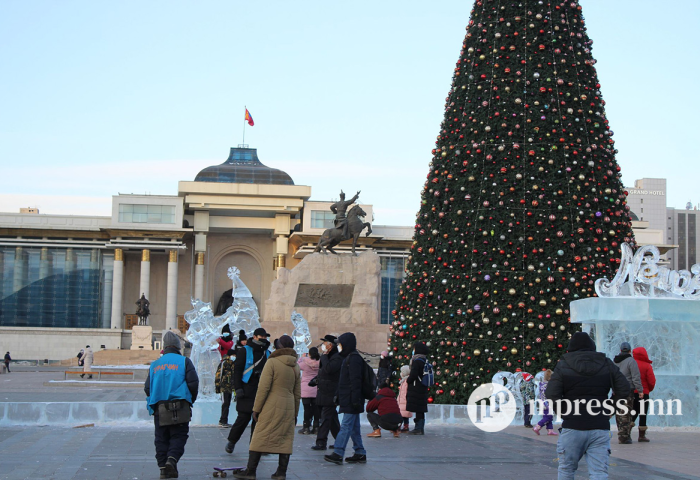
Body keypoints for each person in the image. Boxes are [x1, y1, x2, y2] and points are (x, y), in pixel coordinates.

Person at [546, 331, 630, 480]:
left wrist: (565, 412)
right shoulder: (606, 363)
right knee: (599, 473)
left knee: (566, 470)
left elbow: (552, 393)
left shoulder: (564, 364)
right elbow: (624, 388)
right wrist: (610, 408)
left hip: (572, 425)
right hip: (599, 425)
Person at [231, 335, 301, 480]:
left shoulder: (273, 362)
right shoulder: (295, 365)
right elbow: (297, 393)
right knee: (286, 438)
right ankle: (281, 472)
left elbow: (263, 388)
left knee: (259, 436)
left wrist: (256, 409)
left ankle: (250, 471)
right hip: (288, 405)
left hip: (271, 403)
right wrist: (295, 413)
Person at [144, 331, 199, 479]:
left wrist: (155, 399)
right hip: (180, 405)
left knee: (161, 438)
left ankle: (163, 468)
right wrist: (190, 401)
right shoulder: (184, 361)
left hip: (160, 407)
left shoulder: (155, 364)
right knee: (179, 435)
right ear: (177, 346)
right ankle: (171, 460)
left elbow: (147, 388)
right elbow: (193, 384)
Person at [324, 332, 367, 465]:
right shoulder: (348, 357)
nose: (339, 347)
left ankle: (338, 452)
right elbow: (344, 380)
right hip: (349, 398)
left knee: (346, 426)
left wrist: (354, 400)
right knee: (353, 427)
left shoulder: (353, 359)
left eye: (340, 344)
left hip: (352, 399)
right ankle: (360, 452)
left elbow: (355, 381)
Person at [226, 327, 271, 454]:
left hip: (261, 390)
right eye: (261, 337)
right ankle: (232, 441)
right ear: (255, 337)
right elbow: (238, 371)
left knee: (259, 420)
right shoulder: (245, 351)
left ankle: (255, 446)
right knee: (243, 418)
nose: (264, 339)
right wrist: (238, 388)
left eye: (265, 337)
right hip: (246, 389)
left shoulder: (267, 353)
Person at [312, 334, 343, 451]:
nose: (323, 346)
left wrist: (324, 356)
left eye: (325, 343)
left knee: (325, 418)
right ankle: (339, 441)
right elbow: (323, 371)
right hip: (324, 390)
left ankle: (321, 442)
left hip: (330, 392)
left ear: (331, 345)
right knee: (332, 418)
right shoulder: (328, 356)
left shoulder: (336, 357)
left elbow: (329, 369)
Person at [614, 341, 644, 444]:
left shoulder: (615, 361)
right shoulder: (631, 361)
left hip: (617, 391)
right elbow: (635, 377)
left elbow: (612, 377)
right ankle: (624, 436)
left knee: (618, 412)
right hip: (628, 390)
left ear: (620, 350)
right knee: (626, 412)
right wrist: (640, 390)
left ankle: (621, 432)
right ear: (630, 350)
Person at [632, 346, 656, 443]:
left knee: (633, 412)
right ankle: (641, 436)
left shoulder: (631, 364)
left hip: (632, 392)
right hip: (644, 393)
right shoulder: (647, 366)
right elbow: (651, 381)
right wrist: (648, 390)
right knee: (643, 413)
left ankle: (626, 432)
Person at [406, 341, 429, 435]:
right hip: (423, 386)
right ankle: (420, 427)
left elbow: (413, 374)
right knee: (421, 408)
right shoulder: (424, 360)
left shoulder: (417, 361)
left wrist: (408, 380)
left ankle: (418, 428)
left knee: (418, 408)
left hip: (417, 387)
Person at [298, 347, 321, 435]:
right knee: (316, 409)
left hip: (306, 389)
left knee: (307, 409)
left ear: (309, 354)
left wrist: (302, 357)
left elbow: (297, 365)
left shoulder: (304, 362)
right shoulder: (320, 362)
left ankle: (306, 427)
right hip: (316, 388)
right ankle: (316, 427)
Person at [216, 347, 236, 428]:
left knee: (227, 404)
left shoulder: (233, 364)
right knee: (225, 404)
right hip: (224, 387)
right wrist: (218, 387)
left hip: (230, 387)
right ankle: (223, 420)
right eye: (234, 355)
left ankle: (224, 420)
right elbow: (218, 375)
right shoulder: (224, 363)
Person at [533, 369, 556, 436]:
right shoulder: (549, 385)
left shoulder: (542, 384)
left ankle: (550, 430)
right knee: (548, 417)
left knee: (548, 416)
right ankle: (537, 427)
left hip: (542, 403)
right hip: (548, 403)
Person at [398, 365, 411, 432]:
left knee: (403, 415)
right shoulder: (403, 380)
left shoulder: (406, 381)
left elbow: (405, 392)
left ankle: (402, 426)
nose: (401, 373)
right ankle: (405, 426)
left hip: (405, 401)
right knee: (403, 415)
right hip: (402, 401)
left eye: (402, 372)